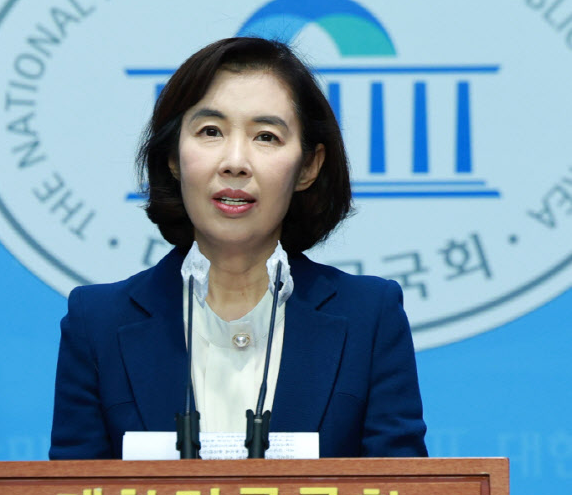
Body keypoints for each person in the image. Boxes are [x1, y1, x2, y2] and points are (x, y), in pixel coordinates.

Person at [49, 37, 427, 459]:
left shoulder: (369, 318)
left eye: (266, 136)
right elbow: (70, 494)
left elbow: (406, 492)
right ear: (173, 157)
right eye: (210, 131)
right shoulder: (97, 324)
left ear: (308, 166)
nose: (235, 162)